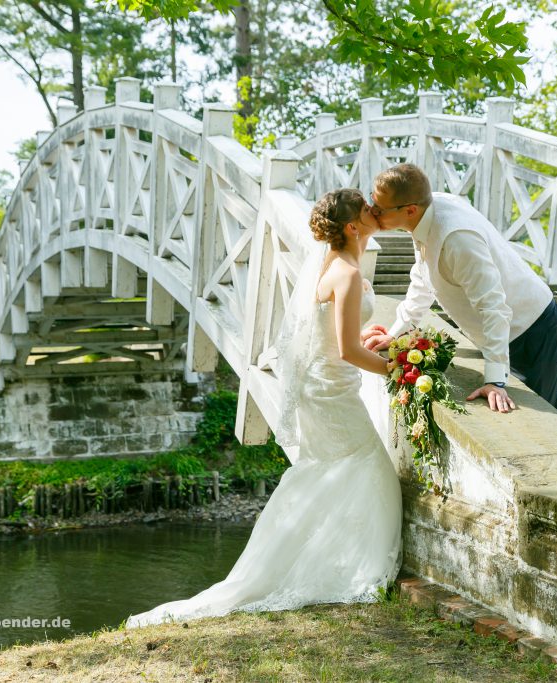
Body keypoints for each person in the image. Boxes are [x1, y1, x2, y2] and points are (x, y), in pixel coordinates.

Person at [126, 189, 402, 628]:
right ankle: (335, 568)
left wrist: (371, 336)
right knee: (366, 465)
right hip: (331, 387)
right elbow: (348, 350)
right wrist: (396, 371)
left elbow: (335, 333)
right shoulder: (347, 273)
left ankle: (317, 556)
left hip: (324, 383)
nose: (375, 212)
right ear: (353, 227)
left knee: (330, 469)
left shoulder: (335, 265)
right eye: (367, 210)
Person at [362, 163, 557, 418]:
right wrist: (398, 332)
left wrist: (495, 380)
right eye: (372, 200)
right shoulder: (424, 212)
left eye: (378, 209)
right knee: (551, 408)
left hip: (531, 328)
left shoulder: (457, 239)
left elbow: (494, 307)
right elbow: (423, 276)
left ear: (410, 210)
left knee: (545, 416)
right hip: (506, 328)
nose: (371, 212)